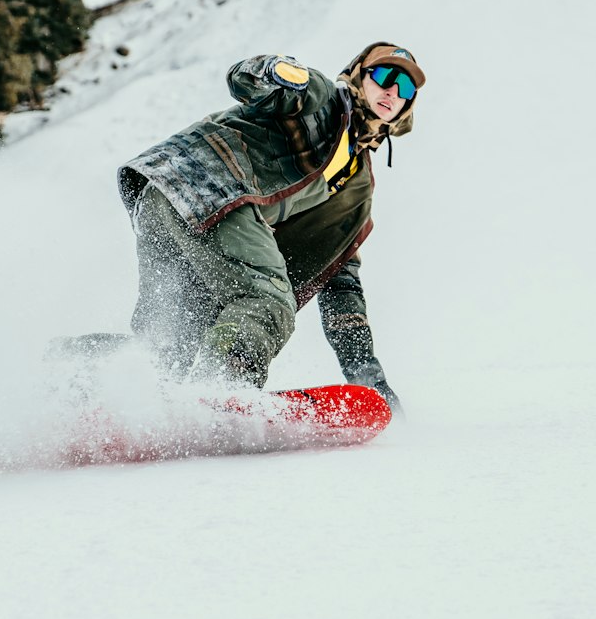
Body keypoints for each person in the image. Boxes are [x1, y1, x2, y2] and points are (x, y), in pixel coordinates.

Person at [116, 41, 425, 412]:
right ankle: (221, 389)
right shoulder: (325, 100)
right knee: (265, 299)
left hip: (164, 198)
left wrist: (367, 377)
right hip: (209, 186)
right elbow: (256, 80)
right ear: (360, 75)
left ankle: (83, 381)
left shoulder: (355, 190)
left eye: (406, 89)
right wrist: (275, 72)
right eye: (385, 76)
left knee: (167, 346)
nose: (393, 91)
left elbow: (342, 283)